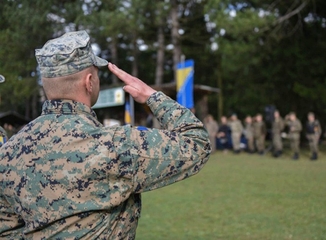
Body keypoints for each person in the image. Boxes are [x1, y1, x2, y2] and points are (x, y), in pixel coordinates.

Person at [0, 31, 211, 239]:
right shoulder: (115, 144)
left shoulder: (8, 152)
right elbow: (197, 143)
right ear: (89, 82)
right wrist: (152, 96)